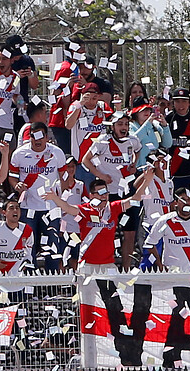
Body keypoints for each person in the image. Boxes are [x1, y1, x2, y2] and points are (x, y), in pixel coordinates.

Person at [45, 169, 154, 273]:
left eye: (105, 192)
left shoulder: (113, 208)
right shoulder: (85, 210)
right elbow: (67, 208)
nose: (104, 196)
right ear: (91, 195)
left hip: (108, 265)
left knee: (113, 293)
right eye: (100, 193)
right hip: (87, 265)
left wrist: (147, 180)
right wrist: (54, 198)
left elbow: (135, 199)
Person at [83, 112, 142, 269]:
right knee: (108, 231)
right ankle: (105, 265)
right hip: (108, 194)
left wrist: (134, 164)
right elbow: (85, 160)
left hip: (127, 192)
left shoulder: (133, 140)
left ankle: (126, 268)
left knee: (130, 233)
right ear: (112, 126)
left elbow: (138, 150)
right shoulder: (103, 141)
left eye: (126, 124)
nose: (124, 127)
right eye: (120, 124)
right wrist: (100, 175)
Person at [9, 121, 66, 267]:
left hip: (51, 207)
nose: (37, 140)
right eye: (34, 136)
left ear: (46, 137)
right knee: (28, 246)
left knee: (52, 247)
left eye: (41, 136)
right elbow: (12, 176)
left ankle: (51, 284)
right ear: (30, 137)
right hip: (28, 207)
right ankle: (29, 283)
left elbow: (64, 176)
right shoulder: (19, 154)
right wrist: (17, 185)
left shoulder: (57, 152)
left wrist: (61, 199)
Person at [144, 189, 190, 272]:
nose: (186, 203)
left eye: (189, 199)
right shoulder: (165, 221)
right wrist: (159, 264)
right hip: (172, 273)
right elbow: (149, 244)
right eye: (183, 200)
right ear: (176, 202)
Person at [65, 82, 111, 185]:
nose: (90, 101)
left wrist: (118, 107)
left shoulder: (103, 106)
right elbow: (68, 125)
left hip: (100, 158)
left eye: (94, 98)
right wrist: (80, 105)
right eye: (88, 98)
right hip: (81, 159)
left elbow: (115, 122)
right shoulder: (76, 106)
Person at [0, 197, 34, 278]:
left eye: (17, 208)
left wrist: (26, 262)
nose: (15, 210)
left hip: (18, 279)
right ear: (4, 212)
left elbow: (28, 250)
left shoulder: (27, 230)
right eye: (11, 208)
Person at [166, 88, 190, 191]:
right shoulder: (169, 118)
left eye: (184, 101)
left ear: (189, 103)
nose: (180, 105)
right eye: (177, 101)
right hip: (174, 170)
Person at [130, 96, 171, 168]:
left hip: (155, 169)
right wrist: (148, 124)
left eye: (148, 109)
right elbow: (133, 141)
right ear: (136, 112)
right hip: (139, 170)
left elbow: (167, 144)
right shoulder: (131, 126)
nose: (146, 112)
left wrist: (165, 126)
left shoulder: (155, 124)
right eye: (143, 110)